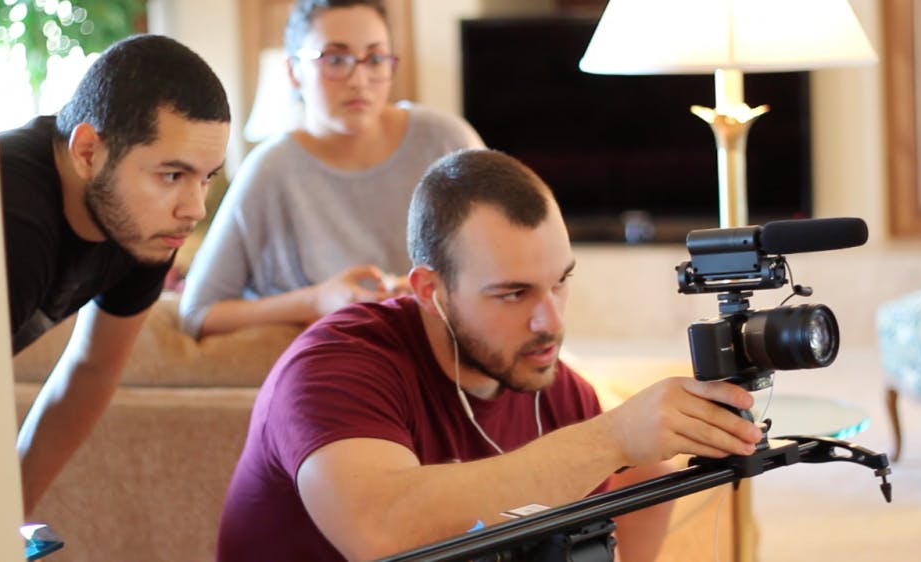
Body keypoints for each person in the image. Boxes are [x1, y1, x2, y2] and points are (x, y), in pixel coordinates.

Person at [216, 149, 764, 562]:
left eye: (560, 283)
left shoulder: (558, 392)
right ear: (430, 291)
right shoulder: (334, 367)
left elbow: (625, 499)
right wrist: (611, 437)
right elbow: (379, 527)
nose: (550, 320)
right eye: (513, 293)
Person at [0, 34, 231, 515]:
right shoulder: (9, 217)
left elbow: (92, 370)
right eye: (172, 175)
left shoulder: (144, 229)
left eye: (205, 177)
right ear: (87, 152)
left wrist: (10, 518)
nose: (194, 209)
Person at [178, 0, 484, 339]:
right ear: (293, 71)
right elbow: (196, 311)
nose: (359, 79)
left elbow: (504, 263)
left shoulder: (445, 141)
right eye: (335, 59)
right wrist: (316, 300)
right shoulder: (269, 171)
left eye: (375, 58)